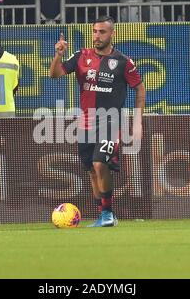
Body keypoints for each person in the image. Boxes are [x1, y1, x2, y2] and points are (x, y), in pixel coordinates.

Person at [49, 16, 146, 227]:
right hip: (85, 123)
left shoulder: (123, 62)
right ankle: (103, 214)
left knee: (100, 163)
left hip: (110, 123)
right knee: (92, 170)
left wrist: (137, 121)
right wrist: (58, 55)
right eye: (94, 31)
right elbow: (55, 74)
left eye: (102, 32)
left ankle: (109, 213)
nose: (97, 36)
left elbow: (139, 88)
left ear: (112, 34)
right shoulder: (81, 56)